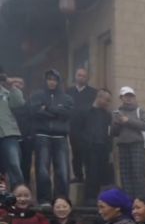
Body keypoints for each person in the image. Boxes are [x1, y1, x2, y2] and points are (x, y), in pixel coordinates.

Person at [30, 69, 73, 208]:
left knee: (63, 170)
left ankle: (62, 199)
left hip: (60, 136)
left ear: (58, 82)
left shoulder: (67, 98)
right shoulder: (36, 95)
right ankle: (44, 200)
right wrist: (56, 112)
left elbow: (67, 114)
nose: (52, 82)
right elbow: (34, 112)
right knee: (42, 169)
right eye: (49, 79)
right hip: (42, 135)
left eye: (54, 80)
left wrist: (47, 108)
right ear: (45, 80)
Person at [111, 86, 145, 198]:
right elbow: (114, 133)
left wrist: (127, 121)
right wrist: (117, 123)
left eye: (131, 96)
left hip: (137, 145)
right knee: (125, 176)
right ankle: (128, 202)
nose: (128, 98)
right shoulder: (117, 112)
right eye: (126, 96)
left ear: (134, 97)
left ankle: (141, 201)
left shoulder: (140, 111)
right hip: (122, 146)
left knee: (138, 174)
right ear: (121, 98)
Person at [78, 89, 115, 204]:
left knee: (102, 174)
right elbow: (77, 130)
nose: (108, 103)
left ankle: (100, 199)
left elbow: (109, 133)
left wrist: (110, 150)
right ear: (99, 97)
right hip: (89, 148)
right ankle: (89, 198)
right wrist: (84, 142)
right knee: (91, 173)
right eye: (106, 100)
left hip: (103, 148)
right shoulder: (85, 111)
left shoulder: (107, 115)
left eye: (109, 101)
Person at [67, 67, 97, 184]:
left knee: (87, 153)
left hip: (87, 128)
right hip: (73, 128)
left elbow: (93, 109)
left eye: (84, 76)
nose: (81, 78)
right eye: (79, 75)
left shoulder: (93, 92)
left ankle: (89, 176)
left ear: (87, 78)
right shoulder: (69, 92)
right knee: (76, 153)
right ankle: (78, 175)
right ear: (75, 76)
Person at [0, 67, 27, 188]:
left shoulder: (7, 93)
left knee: (14, 165)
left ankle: (19, 193)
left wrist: (13, 86)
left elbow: (19, 103)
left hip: (9, 134)